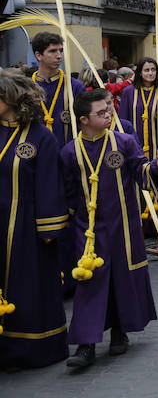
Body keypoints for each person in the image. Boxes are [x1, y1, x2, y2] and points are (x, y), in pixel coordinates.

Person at [62, 90, 158, 369]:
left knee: (121, 279)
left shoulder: (123, 142)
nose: (108, 115)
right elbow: (69, 194)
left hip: (123, 226)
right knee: (89, 283)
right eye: (101, 113)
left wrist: (157, 166)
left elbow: (142, 174)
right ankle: (86, 345)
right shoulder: (69, 152)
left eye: (108, 109)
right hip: (87, 232)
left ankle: (119, 333)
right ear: (84, 119)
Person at [0, 70, 69, 369]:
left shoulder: (42, 136)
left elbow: (50, 182)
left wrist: (49, 227)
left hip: (27, 229)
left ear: (11, 97)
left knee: (27, 287)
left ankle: (32, 349)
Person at [31, 31, 86, 296]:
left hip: (69, 167)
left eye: (60, 51)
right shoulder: (26, 87)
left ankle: (72, 279)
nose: (59, 56)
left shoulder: (73, 87)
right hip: (35, 169)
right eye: (52, 51)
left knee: (70, 222)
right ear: (38, 55)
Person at [119, 57, 158, 160]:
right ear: (139, 72)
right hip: (134, 142)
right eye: (146, 70)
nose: (150, 73)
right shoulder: (128, 92)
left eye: (153, 70)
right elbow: (123, 120)